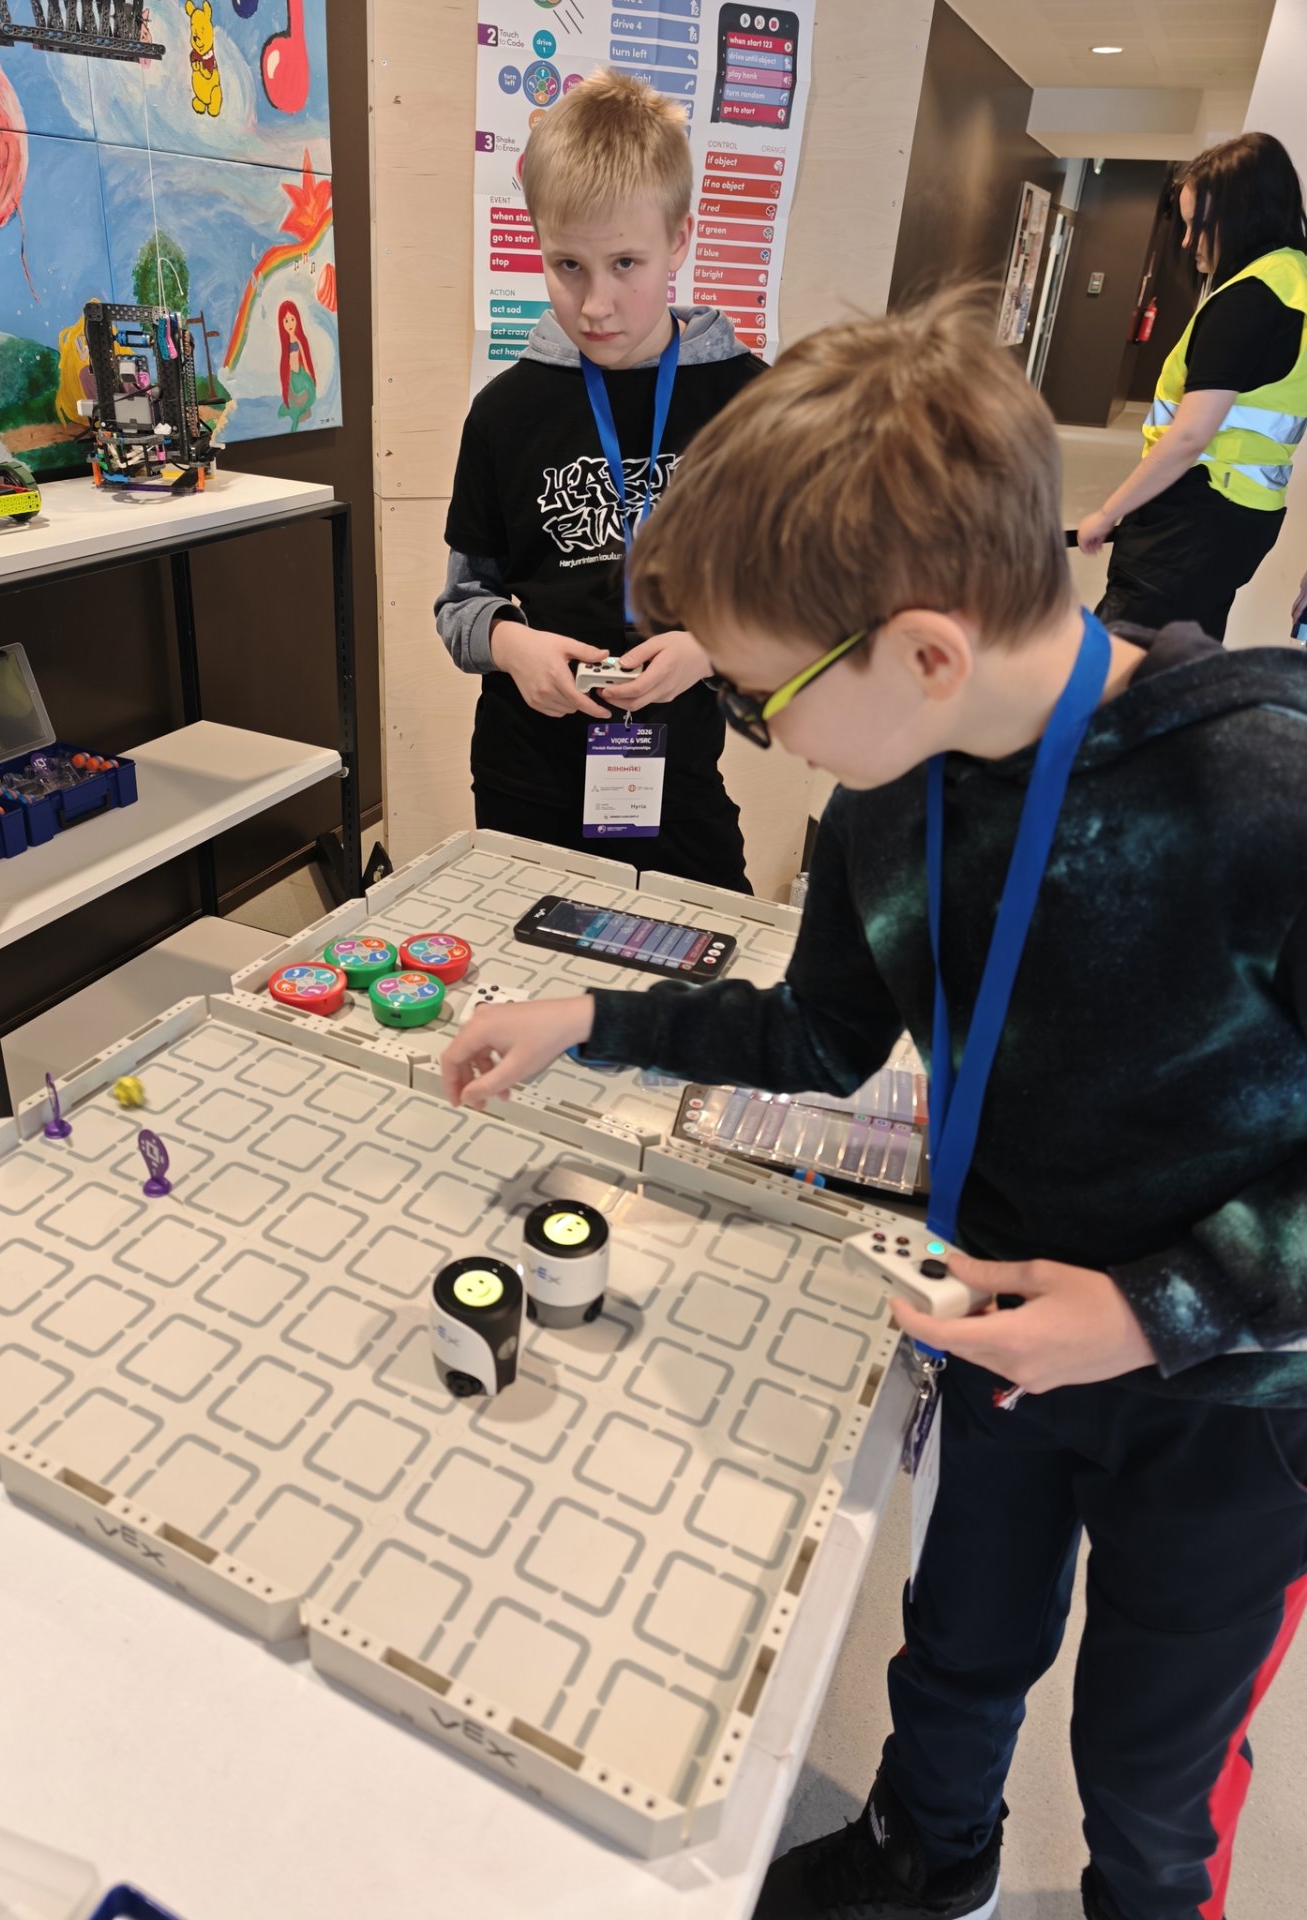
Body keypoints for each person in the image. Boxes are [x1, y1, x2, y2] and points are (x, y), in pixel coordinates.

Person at [440, 289, 1307, 1920]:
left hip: (1241, 1399)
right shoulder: (888, 796)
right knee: (957, 1645)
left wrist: (1151, 1312)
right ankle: (931, 1855)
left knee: (1150, 1766)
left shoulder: (1265, 786)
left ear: (924, 653)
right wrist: (591, 1019)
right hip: (987, 1313)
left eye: (763, 698)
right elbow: (818, 1035)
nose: (761, 736)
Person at [435, 69, 764, 890]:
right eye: (568, 265)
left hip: (677, 779)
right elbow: (461, 605)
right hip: (525, 777)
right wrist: (513, 646)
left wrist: (710, 648)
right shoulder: (502, 413)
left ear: (680, 240)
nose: (596, 304)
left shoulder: (754, 404)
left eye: (625, 262)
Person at [1080, 132, 1307, 641]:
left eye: (1197, 226)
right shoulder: (1297, 283)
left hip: (1192, 514)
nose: (1188, 243)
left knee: (1120, 659)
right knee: (1183, 654)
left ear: (1241, 215)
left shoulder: (1248, 299)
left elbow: (1188, 436)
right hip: (1245, 517)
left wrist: (1110, 511)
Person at [278, 301, 316, 432]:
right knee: (293, 398)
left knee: (307, 395)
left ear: (297, 320)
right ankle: (295, 412)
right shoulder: (285, 343)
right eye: (286, 321)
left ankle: (301, 412)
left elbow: (305, 358)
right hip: (292, 375)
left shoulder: (300, 340)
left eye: (292, 319)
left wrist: (309, 375)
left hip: (301, 374)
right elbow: (285, 362)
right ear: (281, 323)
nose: (289, 324)